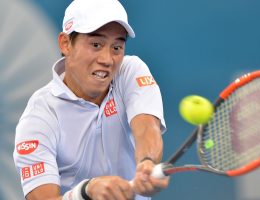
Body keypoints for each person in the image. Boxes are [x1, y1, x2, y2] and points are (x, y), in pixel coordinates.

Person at [13, 0, 169, 199]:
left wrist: (147, 163)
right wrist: (85, 192)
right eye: (96, 44)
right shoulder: (39, 117)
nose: (107, 59)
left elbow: (147, 127)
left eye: (117, 47)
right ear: (65, 44)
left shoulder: (130, 71)